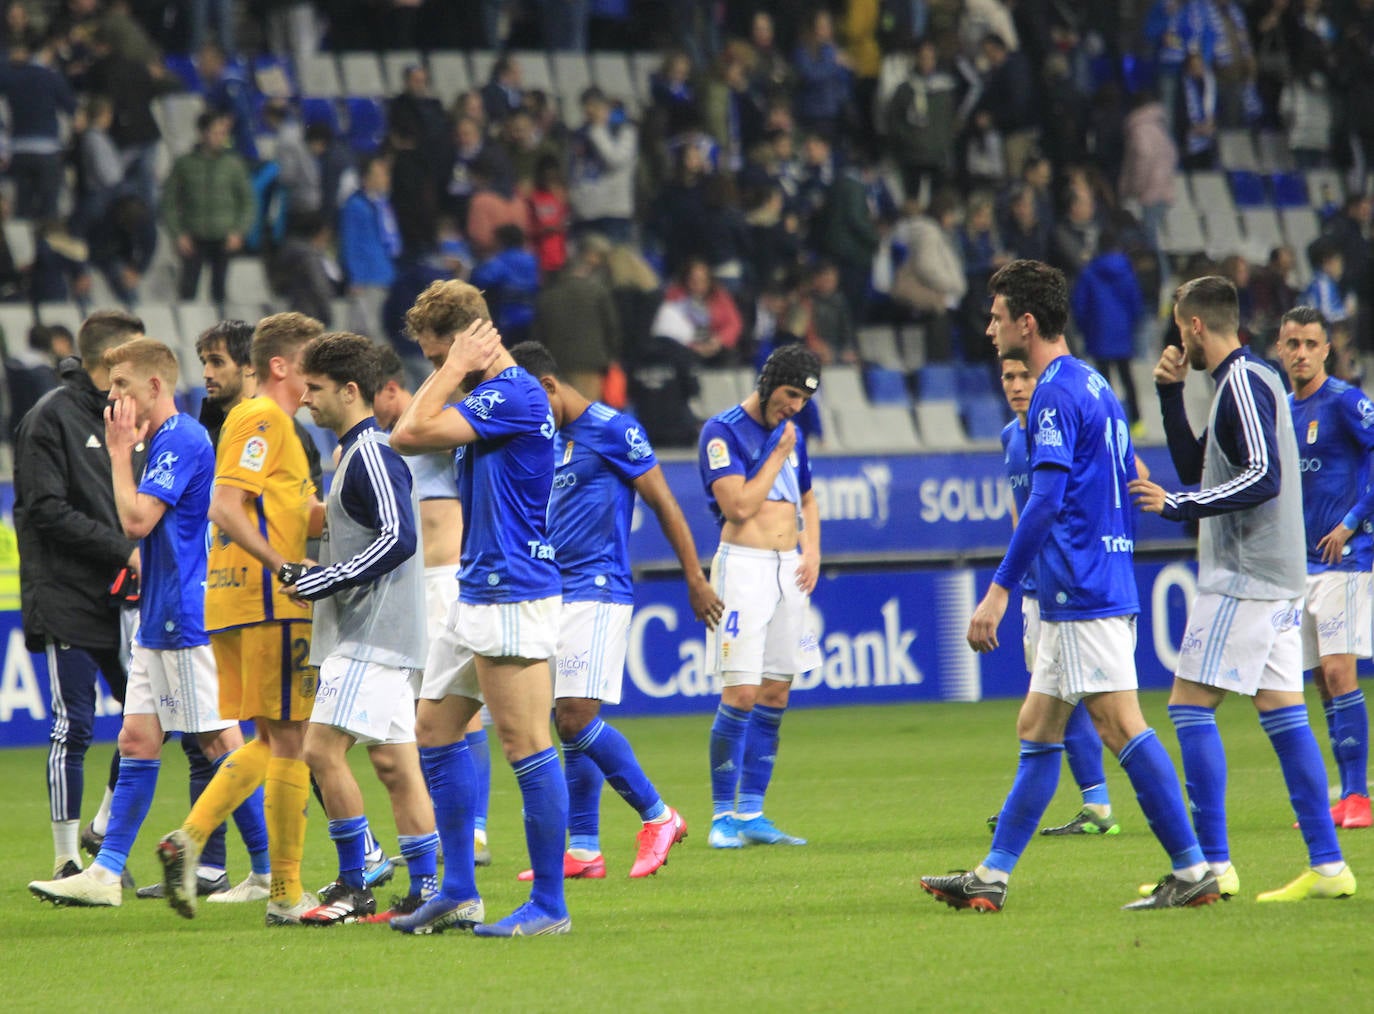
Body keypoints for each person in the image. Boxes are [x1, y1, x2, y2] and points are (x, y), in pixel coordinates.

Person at [921, 259, 1217, 913]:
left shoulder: (1054, 392)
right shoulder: (1093, 385)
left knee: (1117, 723)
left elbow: (1048, 499)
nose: (990, 326)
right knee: (1038, 725)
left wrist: (1000, 588)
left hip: (1080, 588)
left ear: (1027, 322)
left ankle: (1193, 867)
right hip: (1080, 586)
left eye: (997, 315)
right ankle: (993, 876)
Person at [1130, 276, 1357, 902]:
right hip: (1274, 576)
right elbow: (1202, 465)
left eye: (1181, 331)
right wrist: (1168, 396)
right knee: (1284, 714)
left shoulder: (1245, 383)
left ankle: (1211, 864)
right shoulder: (1245, 384)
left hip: (1246, 576)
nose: (1180, 342)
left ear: (1196, 326)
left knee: (1186, 705)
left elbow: (1263, 476)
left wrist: (1180, 505)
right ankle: (1329, 865)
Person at [388, 279, 569, 937]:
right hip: (478, 590)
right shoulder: (492, 397)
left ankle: (549, 904)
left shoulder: (511, 393)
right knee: (434, 730)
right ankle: (461, 890)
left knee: (526, 744)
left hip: (514, 591)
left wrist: (456, 369)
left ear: (470, 339)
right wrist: (455, 369)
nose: (438, 373)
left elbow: (409, 431)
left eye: (439, 358)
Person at [508, 341, 722, 879]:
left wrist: (695, 578)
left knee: (575, 718)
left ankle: (659, 815)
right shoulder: (547, 438)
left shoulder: (613, 428)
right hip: (554, 590)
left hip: (598, 589)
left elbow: (663, 502)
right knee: (568, 720)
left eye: (531, 400)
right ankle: (583, 849)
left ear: (550, 386)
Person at [28, 339, 225, 907]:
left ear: (155, 387)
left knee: (219, 744)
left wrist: (118, 454)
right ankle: (106, 872)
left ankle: (267, 872)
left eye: (121, 385)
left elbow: (137, 519)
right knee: (137, 740)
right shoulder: (161, 440)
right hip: (157, 616)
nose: (111, 396)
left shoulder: (182, 438)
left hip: (185, 619)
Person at [156, 312, 327, 925]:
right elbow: (225, 508)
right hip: (268, 601)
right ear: (281, 365)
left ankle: (190, 838)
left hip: (238, 599)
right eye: (313, 361)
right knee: (292, 740)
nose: (320, 377)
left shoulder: (267, 423)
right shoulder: (264, 417)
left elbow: (290, 509)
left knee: (273, 739)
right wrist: (285, 566)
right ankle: (284, 892)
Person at [278, 332, 439, 925]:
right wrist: (318, 567)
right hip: (383, 632)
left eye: (314, 389)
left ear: (350, 390)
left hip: (371, 632)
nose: (303, 401)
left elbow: (399, 538)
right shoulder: (354, 453)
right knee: (397, 765)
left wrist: (326, 580)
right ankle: (427, 890)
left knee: (319, 748)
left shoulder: (371, 452)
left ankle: (356, 883)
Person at [132, 321, 273, 904]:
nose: (207, 374)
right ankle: (214, 865)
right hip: (214, 596)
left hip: (247, 600)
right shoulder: (214, 425)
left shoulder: (261, 427)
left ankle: (301, 865)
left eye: (216, 362)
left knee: (255, 740)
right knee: (211, 740)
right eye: (204, 362)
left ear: (249, 366)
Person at [14, 311, 144, 886]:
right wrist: (122, 549)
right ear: (110, 360)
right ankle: (67, 856)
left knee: (147, 720)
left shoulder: (129, 416)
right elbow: (43, 508)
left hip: (125, 596)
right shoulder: (49, 418)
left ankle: (101, 824)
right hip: (65, 592)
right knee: (75, 727)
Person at [371, 345, 492, 879]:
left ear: (393, 389)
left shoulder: (438, 429)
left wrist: (450, 373)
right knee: (426, 712)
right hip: (410, 587)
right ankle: (443, 828)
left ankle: (476, 828)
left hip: (447, 581)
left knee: (461, 707)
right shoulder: (388, 446)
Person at [988, 354, 1121, 838]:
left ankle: (1097, 804)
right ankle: (1091, 805)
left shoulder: (1060, 421)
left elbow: (1124, 471)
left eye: (1026, 376)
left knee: (1072, 705)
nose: (1018, 385)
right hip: (1035, 588)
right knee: (1059, 703)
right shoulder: (1009, 438)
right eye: (1009, 377)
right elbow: (1020, 510)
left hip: (1074, 584)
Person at [699, 344, 822, 850]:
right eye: (790, 394)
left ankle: (752, 812)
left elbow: (808, 498)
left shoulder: (793, 434)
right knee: (742, 693)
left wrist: (812, 550)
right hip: (744, 570)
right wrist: (777, 453)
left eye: (802, 400)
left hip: (788, 570)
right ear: (770, 382)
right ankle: (721, 815)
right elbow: (739, 505)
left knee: (776, 693)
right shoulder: (722, 431)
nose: (794, 406)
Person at [1276, 306, 1374, 830]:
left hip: (1346, 558)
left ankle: (1358, 796)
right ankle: (1345, 793)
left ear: (1326, 349)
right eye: (1292, 344)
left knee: (1340, 671)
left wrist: (1352, 523)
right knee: (1319, 681)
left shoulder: (1345, 402)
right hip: (1302, 565)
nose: (1301, 353)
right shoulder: (1284, 412)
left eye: (1311, 344)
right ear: (1280, 348)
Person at [161, 110, 255, 313]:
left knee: (219, 290)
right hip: (194, 235)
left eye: (223, 133)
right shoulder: (184, 164)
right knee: (187, 288)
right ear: (203, 133)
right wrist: (178, 234)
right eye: (215, 132)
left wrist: (239, 231)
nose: (220, 137)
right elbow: (168, 202)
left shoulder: (233, 164)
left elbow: (247, 201)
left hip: (224, 235)